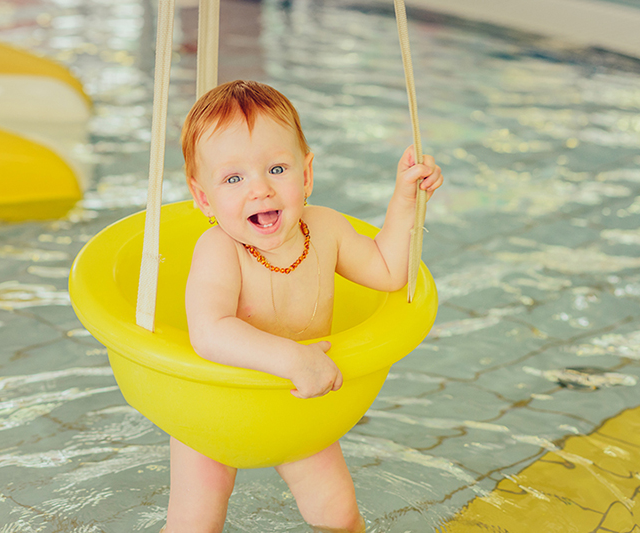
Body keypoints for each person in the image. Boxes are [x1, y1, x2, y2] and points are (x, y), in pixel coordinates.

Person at [163, 80, 443, 532]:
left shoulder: (327, 229)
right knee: (195, 525)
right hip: (214, 411)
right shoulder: (218, 249)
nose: (260, 190)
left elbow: (390, 271)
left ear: (306, 175)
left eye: (276, 169)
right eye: (234, 178)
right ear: (203, 199)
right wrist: (295, 358)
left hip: (299, 407)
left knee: (339, 517)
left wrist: (406, 199)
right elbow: (209, 330)